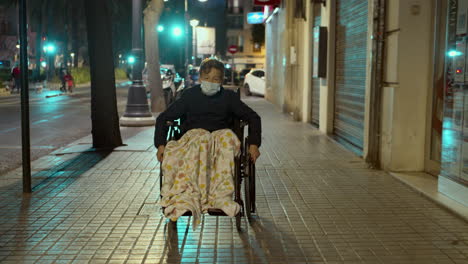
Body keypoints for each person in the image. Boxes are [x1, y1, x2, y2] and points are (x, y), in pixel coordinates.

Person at [154, 58, 261, 229]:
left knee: (225, 139)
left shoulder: (228, 98)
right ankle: (189, 195)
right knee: (201, 138)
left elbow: (253, 117)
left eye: (216, 79)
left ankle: (221, 197)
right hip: (196, 137)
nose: (211, 82)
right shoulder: (190, 96)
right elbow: (163, 118)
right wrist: (160, 144)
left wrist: (254, 144)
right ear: (200, 78)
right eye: (207, 78)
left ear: (221, 80)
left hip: (221, 136)